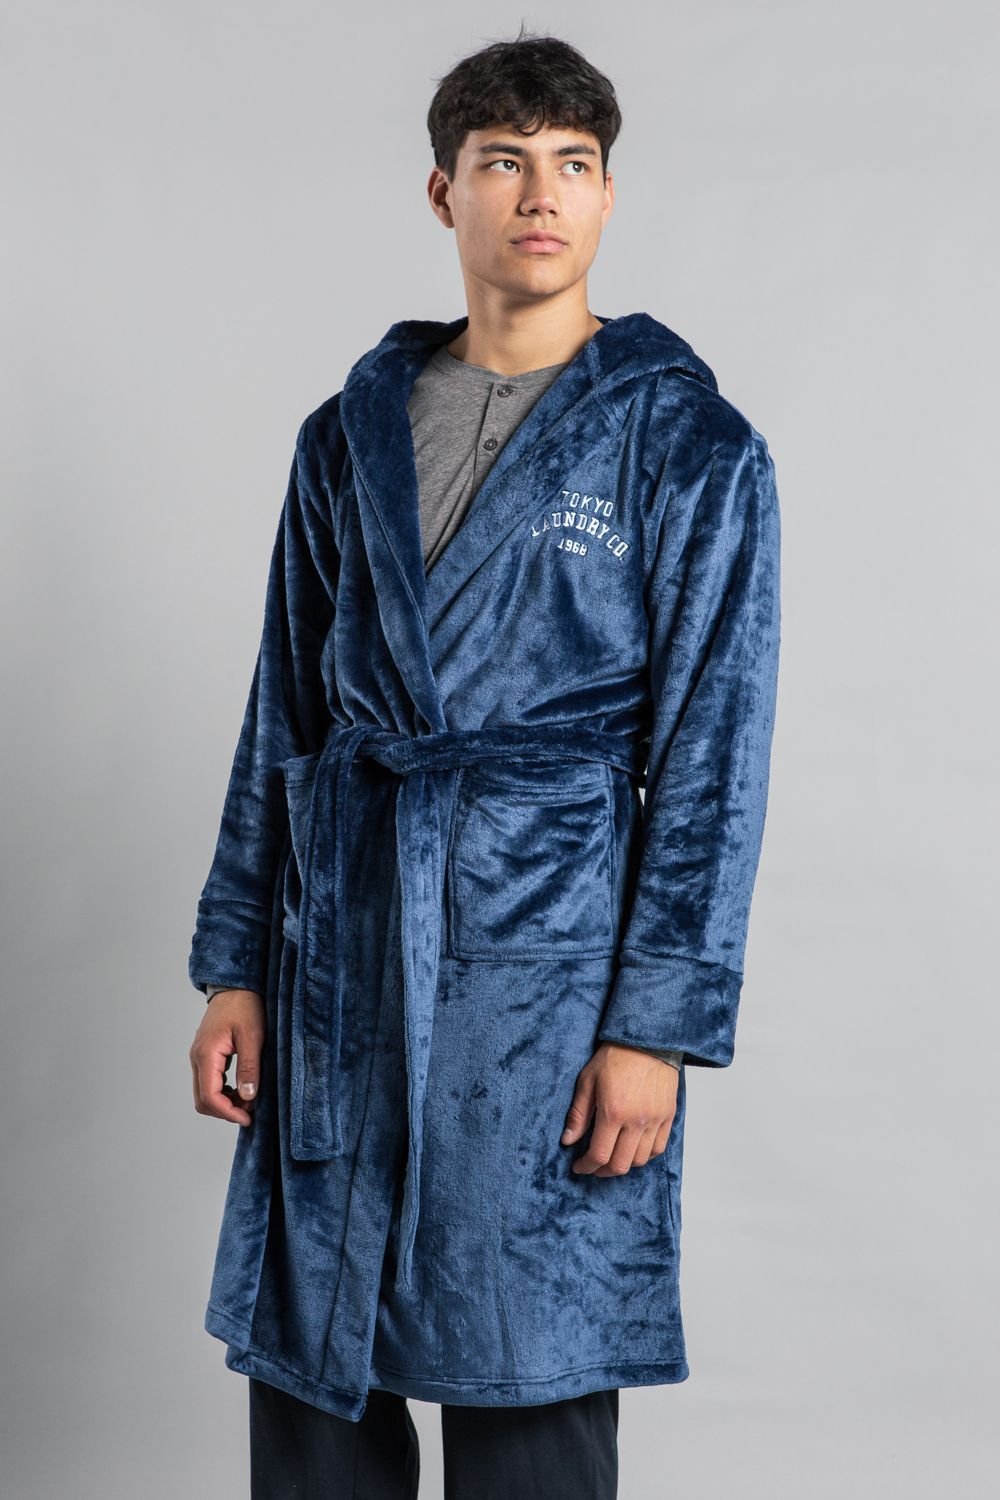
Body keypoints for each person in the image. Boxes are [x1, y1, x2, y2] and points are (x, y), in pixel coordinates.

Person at [187, 27, 781, 1500]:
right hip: (340, 954)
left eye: (573, 163)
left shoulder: (688, 443)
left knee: (529, 1373)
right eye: (504, 161)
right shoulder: (348, 435)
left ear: (608, 195)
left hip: (547, 970)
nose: (541, 193)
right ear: (443, 191)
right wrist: (236, 966)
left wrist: (656, 1028)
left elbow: (712, 760)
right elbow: (285, 711)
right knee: (319, 1380)